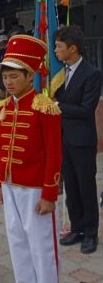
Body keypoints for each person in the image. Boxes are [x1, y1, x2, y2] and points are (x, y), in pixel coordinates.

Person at [0, 35, 62, 283]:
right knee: (17, 240)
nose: (8, 82)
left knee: (42, 243)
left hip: (36, 187)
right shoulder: (1, 108)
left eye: (14, 76)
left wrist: (49, 194)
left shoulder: (44, 107)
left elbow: (54, 152)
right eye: (5, 77)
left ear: (29, 75)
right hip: (10, 185)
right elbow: (0, 149)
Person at [53, 26, 102, 254]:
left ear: (73, 49)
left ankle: (91, 233)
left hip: (82, 140)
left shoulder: (92, 73)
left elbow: (85, 109)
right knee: (70, 187)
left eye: (59, 47)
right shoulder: (61, 73)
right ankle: (77, 228)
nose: (55, 51)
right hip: (64, 138)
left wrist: (58, 106)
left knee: (86, 187)